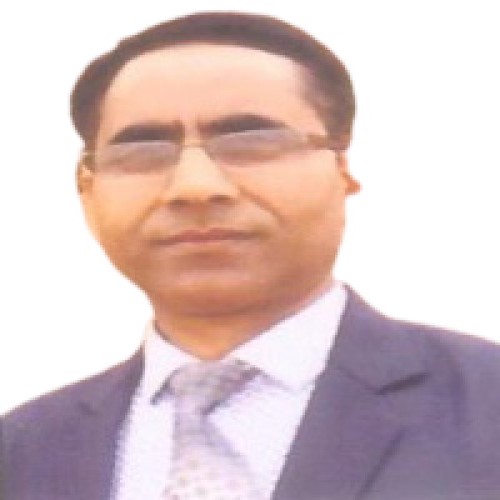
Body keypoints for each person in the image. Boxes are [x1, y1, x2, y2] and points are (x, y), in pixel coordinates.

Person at [3, 11, 500, 500]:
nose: (195, 186)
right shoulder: (23, 451)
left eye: (250, 141)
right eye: (144, 151)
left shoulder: (484, 405)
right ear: (87, 189)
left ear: (341, 169)